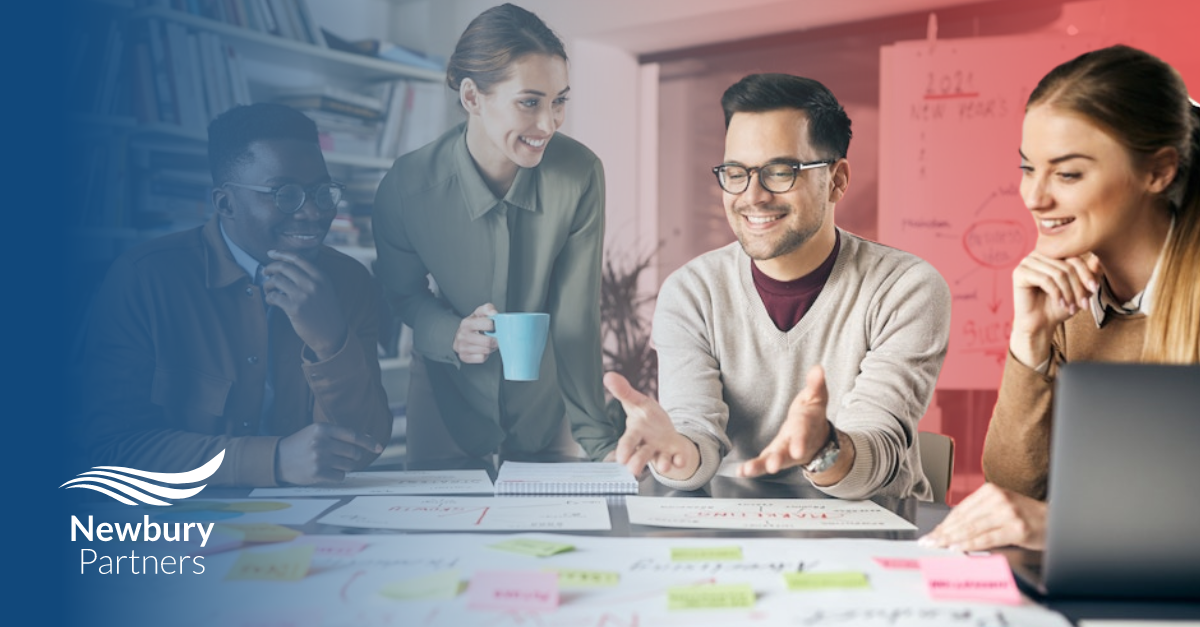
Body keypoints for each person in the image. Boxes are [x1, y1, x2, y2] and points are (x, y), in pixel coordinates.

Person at [605, 73, 952, 499]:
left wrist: (822, 449)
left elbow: (878, 453)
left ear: (837, 181)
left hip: (869, 529)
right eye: (736, 172)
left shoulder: (905, 289)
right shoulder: (692, 292)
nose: (752, 196)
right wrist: (679, 452)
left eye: (780, 171)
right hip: (732, 532)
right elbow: (696, 435)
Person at [922, 44, 1200, 551]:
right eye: (1028, 168)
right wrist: (1031, 341)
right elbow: (1012, 496)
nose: (1034, 197)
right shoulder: (1073, 305)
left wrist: (1068, 527)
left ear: (1158, 172)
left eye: (1067, 173)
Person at [80, 103, 393, 487]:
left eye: (322, 192)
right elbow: (111, 450)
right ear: (225, 203)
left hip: (307, 522)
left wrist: (331, 345)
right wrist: (273, 461)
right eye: (284, 193)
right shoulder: (144, 278)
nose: (313, 212)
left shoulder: (349, 281)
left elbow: (365, 445)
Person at [373, 4, 614, 462]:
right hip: (448, 392)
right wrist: (450, 335)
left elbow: (575, 315)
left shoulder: (580, 173)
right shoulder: (407, 186)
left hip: (549, 398)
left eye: (559, 100)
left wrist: (600, 443)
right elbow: (400, 294)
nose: (549, 123)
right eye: (530, 102)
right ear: (471, 97)